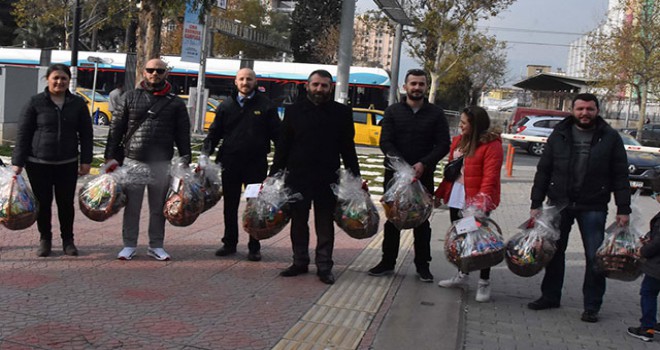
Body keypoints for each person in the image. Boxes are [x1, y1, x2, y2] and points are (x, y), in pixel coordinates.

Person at [527, 93, 631, 323]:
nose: (585, 113)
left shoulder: (610, 137)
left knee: (596, 256)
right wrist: (536, 203)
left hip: (593, 205)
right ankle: (550, 296)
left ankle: (592, 305)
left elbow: (620, 175)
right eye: (580, 109)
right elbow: (544, 170)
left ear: (597, 111)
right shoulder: (560, 134)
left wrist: (624, 208)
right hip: (558, 203)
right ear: (573, 110)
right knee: (553, 252)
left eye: (590, 109)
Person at [270, 69, 362, 285]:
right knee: (298, 222)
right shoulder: (293, 111)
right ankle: (299, 261)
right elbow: (283, 146)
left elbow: (348, 148)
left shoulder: (342, 112)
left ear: (330, 87)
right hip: (297, 176)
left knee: (325, 223)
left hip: (327, 177)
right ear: (307, 86)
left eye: (324, 85)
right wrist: (273, 175)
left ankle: (324, 265)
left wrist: (355, 178)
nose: (319, 89)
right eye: (316, 85)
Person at [104, 58, 191, 261]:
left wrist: (185, 158)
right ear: (144, 72)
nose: (155, 74)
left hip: (161, 163)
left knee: (158, 207)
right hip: (133, 160)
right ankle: (129, 245)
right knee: (132, 207)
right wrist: (110, 157)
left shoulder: (176, 103)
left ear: (166, 73)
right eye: (151, 70)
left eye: (159, 71)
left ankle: (156, 245)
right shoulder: (129, 97)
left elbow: (183, 133)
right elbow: (115, 129)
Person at [368, 69, 450, 282]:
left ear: (426, 87)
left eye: (421, 84)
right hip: (395, 176)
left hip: (423, 178)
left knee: (421, 222)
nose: (417, 88)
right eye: (413, 83)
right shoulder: (393, 111)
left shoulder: (436, 114)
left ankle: (423, 266)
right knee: (393, 220)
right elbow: (385, 141)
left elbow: (443, 144)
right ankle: (387, 262)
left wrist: (424, 163)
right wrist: (402, 166)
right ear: (405, 87)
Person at [11, 63, 93, 257]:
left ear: (69, 81)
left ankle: (68, 240)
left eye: (64, 78)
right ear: (47, 79)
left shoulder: (78, 104)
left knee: (66, 204)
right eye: (55, 78)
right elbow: (23, 134)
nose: (59, 81)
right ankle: (45, 239)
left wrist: (86, 160)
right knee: (43, 203)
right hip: (39, 163)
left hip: (67, 162)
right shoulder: (35, 102)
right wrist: (17, 163)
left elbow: (86, 134)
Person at [202, 67, 280, 262]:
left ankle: (254, 246)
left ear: (256, 82)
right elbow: (214, 134)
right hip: (230, 164)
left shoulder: (266, 106)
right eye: (242, 79)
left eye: (249, 79)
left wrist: (281, 163)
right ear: (236, 82)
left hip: (255, 166)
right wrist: (205, 155)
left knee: (254, 207)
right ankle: (229, 242)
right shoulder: (225, 106)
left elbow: (279, 136)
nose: (245, 83)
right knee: (230, 205)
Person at [435, 106, 503, 302]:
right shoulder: (457, 142)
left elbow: (490, 177)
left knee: (481, 242)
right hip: (457, 196)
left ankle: (484, 282)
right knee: (460, 239)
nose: (460, 125)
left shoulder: (491, 145)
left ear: (475, 124)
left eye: (464, 123)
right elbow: (450, 172)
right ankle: (462, 275)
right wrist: (440, 193)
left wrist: (480, 204)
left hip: (477, 200)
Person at [627, 179, 660, 342]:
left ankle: (647, 327)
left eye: (657, 194)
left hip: (657, 266)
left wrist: (642, 250)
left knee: (648, 292)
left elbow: (658, 243)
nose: (655, 198)